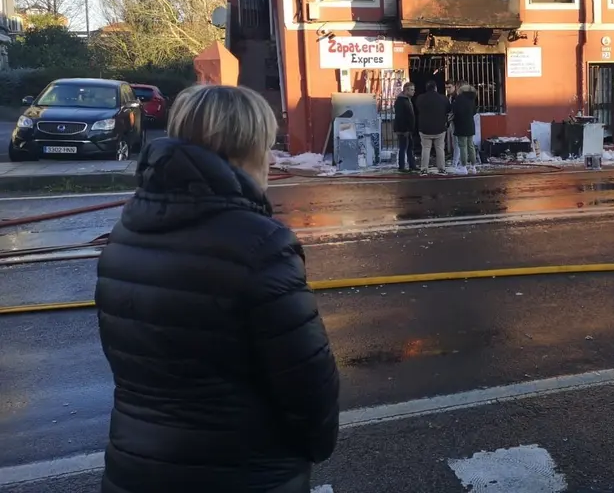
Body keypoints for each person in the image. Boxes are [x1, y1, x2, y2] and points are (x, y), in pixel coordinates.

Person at [96, 85, 340, 493]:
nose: (271, 157)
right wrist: (309, 449)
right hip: (242, 470)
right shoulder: (261, 245)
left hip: (135, 466)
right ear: (244, 151)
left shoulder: (127, 233)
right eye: (267, 145)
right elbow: (308, 382)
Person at [416, 80, 449, 175]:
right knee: (439, 148)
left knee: (426, 149)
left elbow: (417, 108)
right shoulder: (443, 98)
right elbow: (448, 109)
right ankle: (441, 169)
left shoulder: (420, 98)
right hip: (440, 128)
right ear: (436, 88)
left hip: (424, 128)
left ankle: (424, 169)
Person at [452, 82, 479, 174]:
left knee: (462, 146)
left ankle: (463, 167)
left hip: (461, 125)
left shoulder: (459, 99)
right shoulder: (471, 99)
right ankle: (473, 166)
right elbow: (474, 112)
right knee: (470, 146)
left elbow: (455, 111)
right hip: (470, 125)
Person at [394, 81, 417, 173]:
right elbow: (401, 117)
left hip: (408, 129)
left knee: (409, 147)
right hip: (403, 130)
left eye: (413, 90)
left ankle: (412, 165)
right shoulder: (401, 101)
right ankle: (402, 166)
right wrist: (405, 130)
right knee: (403, 147)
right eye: (411, 90)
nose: (413, 92)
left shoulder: (406, 100)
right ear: (406, 90)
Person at [446, 82, 461, 170]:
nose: (448, 89)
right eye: (447, 87)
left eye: (449, 87)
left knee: (457, 143)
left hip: (456, 122)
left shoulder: (457, 97)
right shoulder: (450, 97)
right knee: (455, 143)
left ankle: (456, 162)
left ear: (454, 87)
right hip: (452, 122)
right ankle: (456, 161)